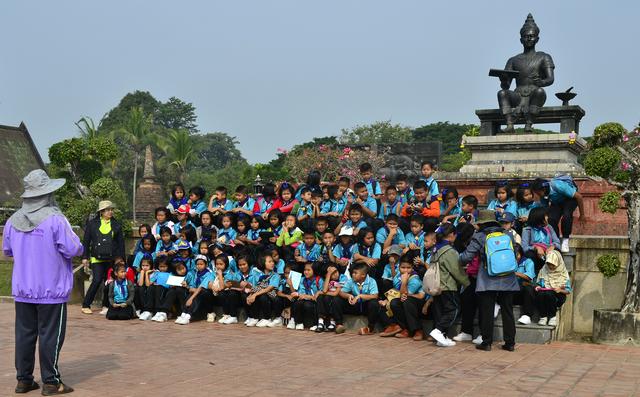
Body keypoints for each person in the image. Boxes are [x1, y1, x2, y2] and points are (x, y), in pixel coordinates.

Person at [3, 169, 83, 395]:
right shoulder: (56, 219)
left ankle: (24, 380)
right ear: (48, 193)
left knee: (25, 334)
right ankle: (51, 382)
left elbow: (8, 251)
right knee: (50, 335)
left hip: (23, 288)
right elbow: (74, 248)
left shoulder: (12, 221)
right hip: (51, 288)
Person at [459, 210, 519, 352]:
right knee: (508, 311)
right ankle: (510, 343)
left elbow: (466, 257)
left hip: (488, 278)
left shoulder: (479, 236)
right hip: (508, 277)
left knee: (487, 310)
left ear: (481, 224)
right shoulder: (508, 234)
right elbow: (514, 253)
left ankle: (486, 342)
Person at [81, 200, 125, 315]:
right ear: (101, 212)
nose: (110, 212)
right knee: (96, 280)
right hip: (96, 258)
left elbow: (121, 243)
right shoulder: (92, 224)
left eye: (111, 210)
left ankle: (106, 305)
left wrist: (121, 258)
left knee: (109, 282)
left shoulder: (116, 224)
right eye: (108, 210)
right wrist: (85, 256)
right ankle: (86, 304)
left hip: (112, 258)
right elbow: (86, 241)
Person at [429, 223, 469, 347]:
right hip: (447, 285)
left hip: (437, 285)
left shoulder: (436, 248)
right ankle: (439, 330)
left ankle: (442, 338)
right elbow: (455, 270)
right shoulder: (449, 251)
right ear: (451, 235)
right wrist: (466, 282)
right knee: (454, 309)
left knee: (440, 311)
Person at [532, 176, 585, 253]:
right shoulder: (543, 196)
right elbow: (545, 209)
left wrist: (582, 215)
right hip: (557, 203)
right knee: (551, 219)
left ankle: (565, 240)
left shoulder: (558, 186)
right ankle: (556, 241)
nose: (538, 195)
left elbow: (579, 197)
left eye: (538, 193)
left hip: (570, 200)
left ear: (542, 189)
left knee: (566, 215)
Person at [379, 256, 426, 341]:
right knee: (392, 303)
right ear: (399, 267)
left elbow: (405, 294)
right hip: (405, 297)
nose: (405, 270)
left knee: (406, 301)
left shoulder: (415, 279)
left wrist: (404, 281)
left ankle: (418, 330)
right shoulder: (398, 274)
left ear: (412, 268)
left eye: (408, 268)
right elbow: (399, 291)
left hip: (417, 301)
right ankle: (403, 328)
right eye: (403, 267)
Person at [333, 263, 380, 335]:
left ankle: (370, 328)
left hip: (365, 307)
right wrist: (348, 296)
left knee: (374, 303)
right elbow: (341, 292)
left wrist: (360, 296)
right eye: (352, 273)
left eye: (355, 273)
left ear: (363, 275)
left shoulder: (371, 281)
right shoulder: (351, 281)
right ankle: (339, 324)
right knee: (337, 299)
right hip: (355, 305)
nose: (353, 275)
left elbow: (375, 296)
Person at [536, 250, 572, 326]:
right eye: (549, 264)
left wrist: (560, 290)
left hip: (558, 295)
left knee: (549, 294)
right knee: (540, 294)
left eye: (553, 265)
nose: (551, 267)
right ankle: (543, 316)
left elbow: (568, 291)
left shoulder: (563, 273)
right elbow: (539, 283)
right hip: (545, 293)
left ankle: (552, 317)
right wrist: (538, 286)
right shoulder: (544, 270)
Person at [292, 263, 324, 330]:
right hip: (305, 299)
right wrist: (303, 295)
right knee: (298, 303)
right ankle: (299, 323)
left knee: (308, 305)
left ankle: (314, 324)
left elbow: (322, 293)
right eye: (305, 270)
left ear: (314, 270)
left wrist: (309, 297)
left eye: (308, 270)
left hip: (315, 302)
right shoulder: (302, 279)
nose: (306, 272)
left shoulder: (319, 280)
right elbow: (301, 293)